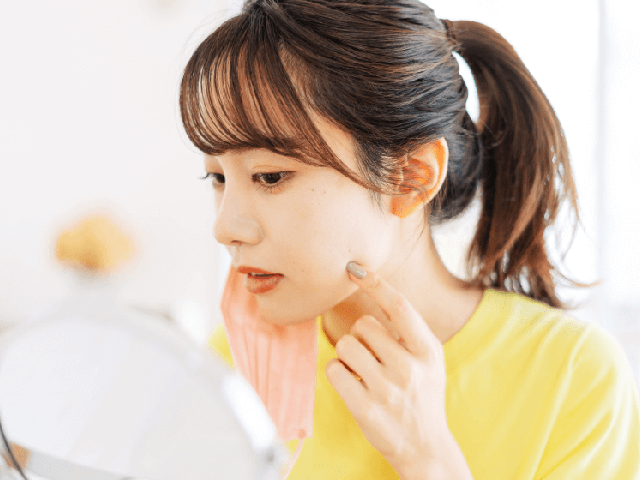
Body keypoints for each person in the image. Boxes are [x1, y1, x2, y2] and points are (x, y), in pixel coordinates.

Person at [179, 0, 640, 478]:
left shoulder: (574, 377)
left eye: (270, 176)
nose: (225, 228)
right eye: (217, 177)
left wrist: (427, 458)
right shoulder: (229, 365)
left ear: (411, 178)